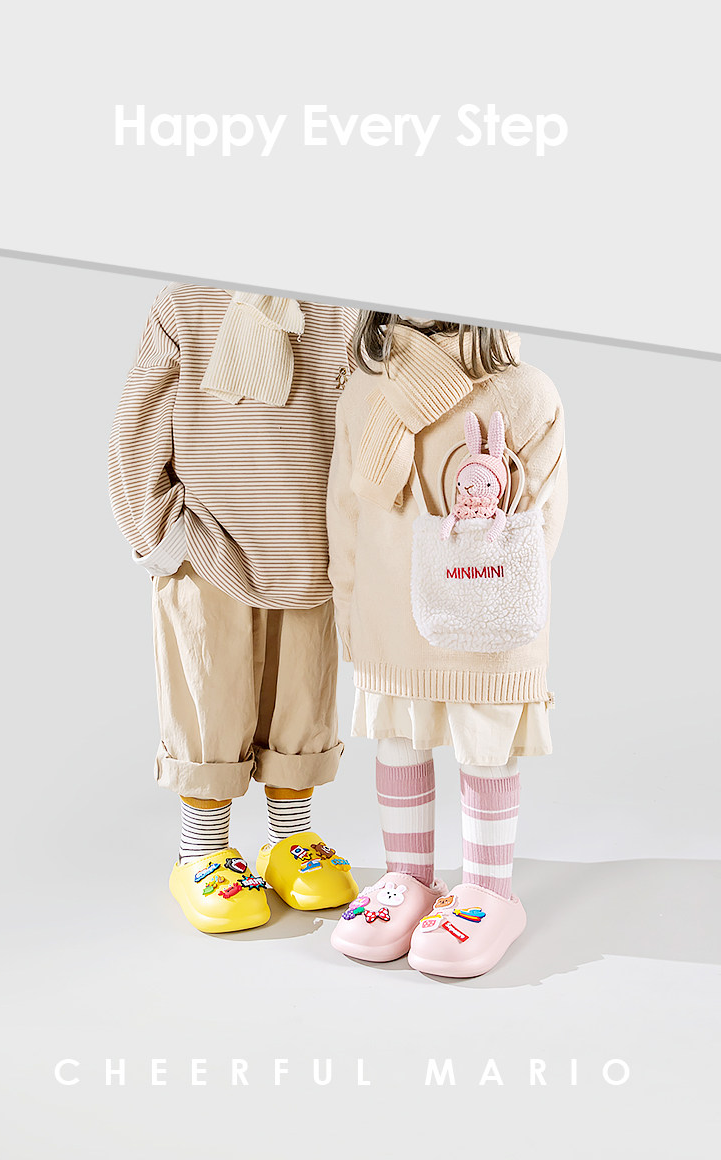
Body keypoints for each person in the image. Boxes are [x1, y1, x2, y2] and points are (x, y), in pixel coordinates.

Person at [109, 286, 360, 933]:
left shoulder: (340, 307)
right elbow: (139, 422)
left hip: (306, 542)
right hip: (208, 544)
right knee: (208, 692)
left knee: (301, 694)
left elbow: (367, 415)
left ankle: (288, 837)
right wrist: (156, 532)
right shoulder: (185, 303)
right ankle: (202, 847)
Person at [326, 315, 567, 976]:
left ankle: (488, 889)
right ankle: (408, 878)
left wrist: (485, 598)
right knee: (399, 737)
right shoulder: (363, 392)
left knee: (484, 740)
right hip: (395, 613)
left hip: (483, 621)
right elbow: (345, 514)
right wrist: (350, 608)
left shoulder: (526, 392)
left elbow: (540, 521)